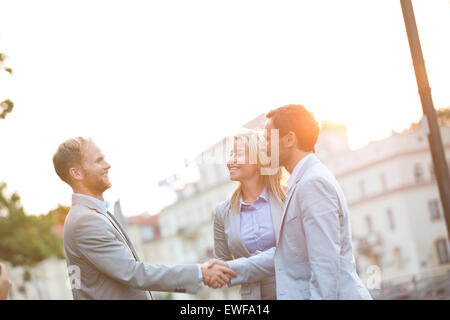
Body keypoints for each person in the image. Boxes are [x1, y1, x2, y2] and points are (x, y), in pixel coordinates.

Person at [208, 105, 372, 300]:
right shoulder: (303, 182)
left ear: (289, 139)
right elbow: (284, 254)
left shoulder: (313, 183)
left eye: (268, 139)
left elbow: (324, 265)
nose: (265, 147)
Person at [52, 137, 236, 300]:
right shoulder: (85, 221)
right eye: (99, 161)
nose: (108, 165)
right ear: (76, 173)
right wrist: (199, 272)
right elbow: (132, 273)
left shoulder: (93, 214)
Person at [213, 131, 286, 300]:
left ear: (258, 159)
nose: (230, 161)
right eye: (230, 155)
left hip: (295, 292)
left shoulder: (287, 197)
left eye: (237, 154)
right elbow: (222, 266)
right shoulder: (222, 212)